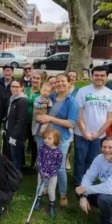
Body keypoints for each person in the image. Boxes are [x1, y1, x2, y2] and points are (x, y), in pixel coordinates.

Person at [35, 74, 79, 207]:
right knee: (43, 162)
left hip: (60, 139)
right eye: (57, 81)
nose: (59, 83)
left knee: (59, 167)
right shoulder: (52, 97)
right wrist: (40, 117)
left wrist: (50, 118)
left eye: (63, 81)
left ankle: (63, 193)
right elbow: (41, 109)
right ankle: (46, 188)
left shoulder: (72, 102)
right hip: (45, 136)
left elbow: (71, 123)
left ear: (69, 83)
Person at [73, 66, 112, 187]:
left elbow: (111, 117)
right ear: (92, 76)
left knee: (92, 160)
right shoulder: (83, 91)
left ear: (106, 77)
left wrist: (98, 134)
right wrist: (84, 132)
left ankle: (87, 181)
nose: (99, 78)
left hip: (99, 135)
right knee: (80, 159)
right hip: (81, 133)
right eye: (96, 75)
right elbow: (79, 113)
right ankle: (77, 181)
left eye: (102, 75)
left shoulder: (111, 94)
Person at [34, 128, 63, 217]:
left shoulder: (58, 152)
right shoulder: (42, 147)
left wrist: (51, 174)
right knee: (40, 187)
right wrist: (42, 171)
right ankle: (38, 201)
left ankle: (51, 206)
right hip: (42, 173)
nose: (46, 140)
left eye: (49, 138)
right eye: (45, 138)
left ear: (56, 139)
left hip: (52, 175)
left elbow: (58, 165)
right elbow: (39, 159)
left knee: (51, 190)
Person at [3, 80, 28, 172]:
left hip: (17, 135)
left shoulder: (22, 101)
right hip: (9, 130)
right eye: (12, 86)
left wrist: (14, 136)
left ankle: (17, 175)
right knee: (11, 155)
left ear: (22, 88)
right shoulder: (12, 98)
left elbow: (21, 120)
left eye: (16, 87)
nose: (13, 89)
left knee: (16, 157)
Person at [25, 71, 43, 168]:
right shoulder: (25, 90)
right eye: (33, 78)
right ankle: (22, 162)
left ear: (41, 80)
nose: (35, 80)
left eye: (37, 78)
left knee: (34, 143)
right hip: (24, 120)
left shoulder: (42, 93)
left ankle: (33, 164)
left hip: (35, 122)